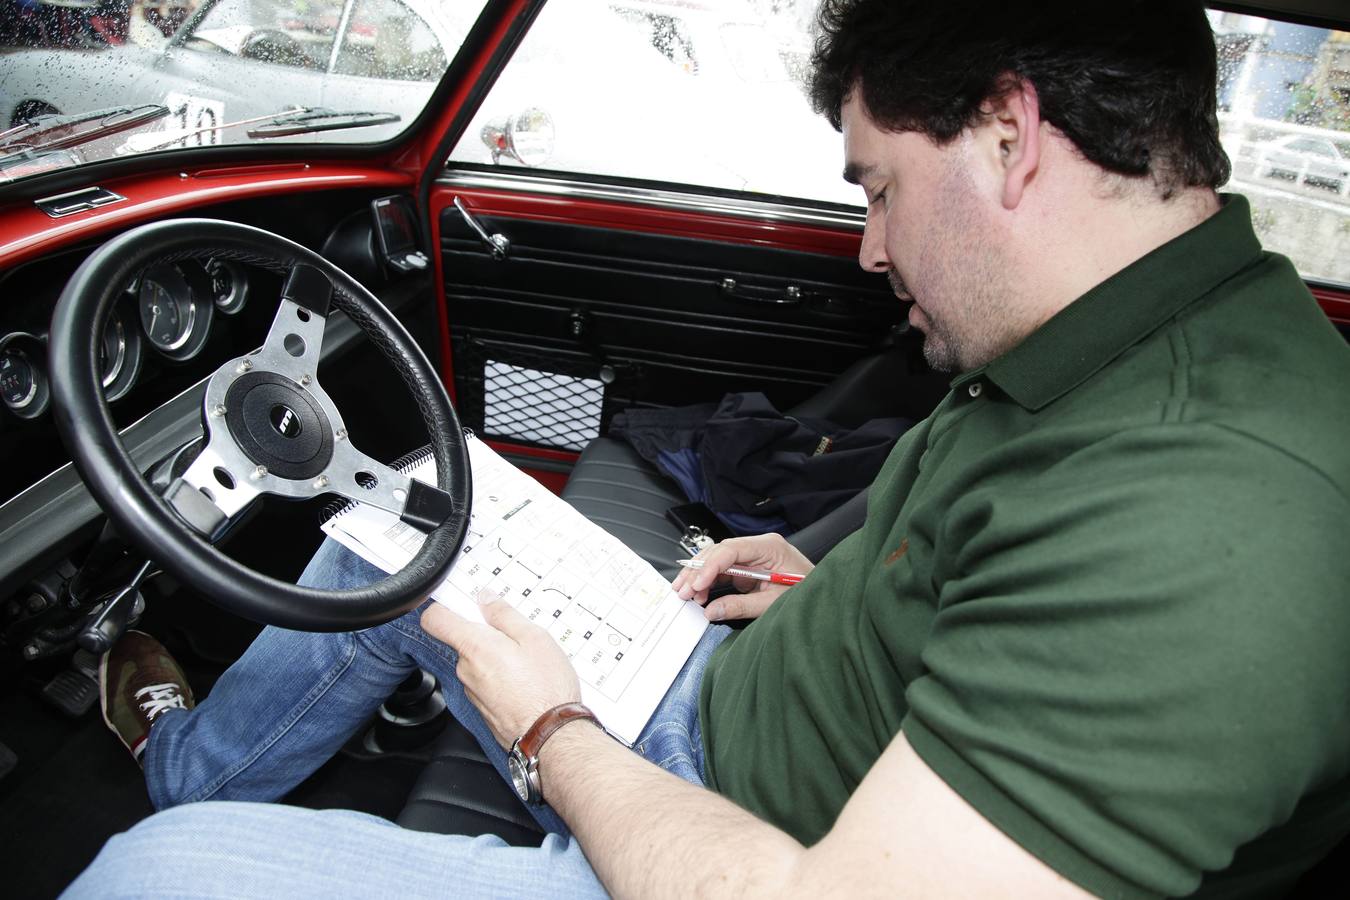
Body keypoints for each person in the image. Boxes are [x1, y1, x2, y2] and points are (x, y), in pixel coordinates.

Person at [69, 0, 1350, 897]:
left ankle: (171, 821)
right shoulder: (1122, 335)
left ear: (1010, 138)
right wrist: (829, 579)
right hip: (731, 706)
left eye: (880, 189)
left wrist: (552, 732)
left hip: (738, 843)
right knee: (413, 516)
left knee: (139, 884)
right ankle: (186, 770)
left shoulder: (1214, 517)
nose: (870, 249)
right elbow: (1008, 574)